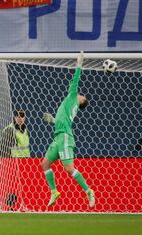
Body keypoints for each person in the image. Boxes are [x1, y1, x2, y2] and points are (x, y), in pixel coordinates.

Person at [41, 51, 95, 208]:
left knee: (69, 168)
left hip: (64, 137)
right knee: (44, 164)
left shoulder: (73, 98)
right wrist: (53, 120)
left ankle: (88, 190)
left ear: (81, 100)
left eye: (82, 95)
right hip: (58, 136)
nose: (80, 94)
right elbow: (61, 120)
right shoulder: (71, 104)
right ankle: (54, 192)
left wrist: (80, 62)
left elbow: (75, 80)